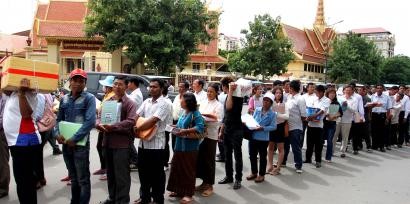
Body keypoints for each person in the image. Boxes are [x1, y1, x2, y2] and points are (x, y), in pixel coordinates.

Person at [55, 68, 96, 204]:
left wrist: (75, 138)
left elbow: (90, 121)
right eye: (75, 80)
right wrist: (57, 134)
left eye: (81, 81)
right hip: (67, 145)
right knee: (73, 177)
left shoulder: (89, 98)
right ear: (70, 82)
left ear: (85, 83)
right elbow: (58, 119)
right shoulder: (64, 99)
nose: (78, 84)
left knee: (83, 179)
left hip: (80, 146)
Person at [98, 76, 137, 204]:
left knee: (122, 176)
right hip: (107, 143)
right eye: (115, 84)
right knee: (111, 174)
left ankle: (122, 200)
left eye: (120, 84)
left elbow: (131, 121)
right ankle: (112, 198)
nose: (117, 87)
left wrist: (113, 127)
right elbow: (99, 116)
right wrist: (98, 123)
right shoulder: (108, 101)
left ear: (126, 86)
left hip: (122, 145)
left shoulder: (130, 103)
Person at [4, 78, 40, 204]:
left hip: (24, 141)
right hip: (17, 142)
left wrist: (22, 93)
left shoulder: (28, 93)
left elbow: (26, 114)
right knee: (22, 180)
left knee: (25, 182)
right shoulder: (14, 93)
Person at [135, 78, 172, 204]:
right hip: (143, 144)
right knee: (143, 175)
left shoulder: (165, 104)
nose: (151, 89)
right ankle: (145, 198)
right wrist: (135, 125)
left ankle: (157, 199)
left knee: (157, 176)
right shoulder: (146, 101)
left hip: (157, 146)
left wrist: (136, 128)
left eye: (155, 87)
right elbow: (137, 115)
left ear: (161, 89)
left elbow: (153, 120)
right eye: (150, 86)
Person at [167, 93, 205, 204]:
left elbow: (200, 127)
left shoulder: (195, 114)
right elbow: (180, 126)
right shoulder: (184, 112)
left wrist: (185, 131)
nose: (180, 102)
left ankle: (188, 194)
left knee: (188, 170)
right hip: (179, 146)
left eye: (182, 100)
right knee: (177, 168)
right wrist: (173, 127)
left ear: (188, 102)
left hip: (190, 148)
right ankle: (179, 191)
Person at [196, 83, 223, 197]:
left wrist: (207, 117)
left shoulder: (219, 105)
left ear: (216, 92)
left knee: (209, 161)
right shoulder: (202, 102)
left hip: (211, 135)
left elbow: (219, 120)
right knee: (201, 159)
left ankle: (210, 185)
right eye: (208, 91)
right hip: (200, 135)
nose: (209, 93)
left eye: (211, 92)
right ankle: (204, 182)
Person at [218, 78, 244, 189]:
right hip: (227, 129)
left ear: (225, 86)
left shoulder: (238, 96)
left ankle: (238, 179)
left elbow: (229, 107)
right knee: (227, 154)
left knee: (237, 155)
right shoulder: (228, 97)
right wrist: (222, 130)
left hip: (237, 129)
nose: (223, 89)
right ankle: (229, 176)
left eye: (223, 87)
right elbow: (226, 115)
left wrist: (230, 91)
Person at [247, 92, 277, 183]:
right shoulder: (257, 109)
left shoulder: (273, 114)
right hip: (253, 136)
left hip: (263, 138)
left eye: (268, 101)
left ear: (271, 103)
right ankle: (254, 172)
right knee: (252, 155)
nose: (265, 102)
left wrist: (263, 128)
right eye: (264, 100)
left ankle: (261, 175)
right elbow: (253, 119)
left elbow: (274, 126)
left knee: (262, 157)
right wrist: (249, 123)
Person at [282, 80, 306, 173]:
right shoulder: (289, 97)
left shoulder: (300, 99)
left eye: (289, 87)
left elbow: (303, 115)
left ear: (292, 88)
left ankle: (298, 166)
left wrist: (297, 120)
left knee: (296, 147)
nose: (288, 88)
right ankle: (283, 161)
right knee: (285, 146)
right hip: (287, 125)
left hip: (296, 127)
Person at [94, 76, 115, 180]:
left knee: (104, 148)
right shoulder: (107, 95)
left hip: (106, 126)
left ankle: (107, 170)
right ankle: (103, 167)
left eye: (105, 86)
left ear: (109, 87)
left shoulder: (112, 97)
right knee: (99, 147)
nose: (103, 87)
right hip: (101, 125)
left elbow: (109, 113)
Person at [304, 85, 330, 168]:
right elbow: (309, 108)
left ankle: (318, 161)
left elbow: (322, 111)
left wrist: (313, 116)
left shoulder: (327, 100)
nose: (315, 94)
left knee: (318, 144)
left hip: (319, 126)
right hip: (310, 124)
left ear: (322, 92)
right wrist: (308, 116)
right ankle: (308, 158)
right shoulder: (314, 98)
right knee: (309, 143)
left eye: (317, 92)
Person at [267, 87, 289, 175]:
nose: (278, 94)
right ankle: (270, 165)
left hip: (280, 127)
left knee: (280, 148)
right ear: (274, 94)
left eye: (280, 93)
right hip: (272, 127)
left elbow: (287, 116)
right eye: (276, 93)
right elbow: (267, 114)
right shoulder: (270, 104)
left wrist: (276, 114)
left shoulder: (285, 104)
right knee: (270, 147)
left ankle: (278, 167)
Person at [333, 85, 358, 158]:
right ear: (343, 91)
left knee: (345, 137)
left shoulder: (354, 100)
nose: (348, 91)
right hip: (337, 119)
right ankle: (332, 150)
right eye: (346, 90)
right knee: (334, 136)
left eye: (350, 90)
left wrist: (346, 105)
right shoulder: (339, 98)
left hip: (347, 120)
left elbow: (354, 110)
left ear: (352, 91)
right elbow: (335, 108)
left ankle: (343, 151)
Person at [369, 84, 392, 152]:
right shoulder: (373, 96)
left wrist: (387, 118)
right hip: (374, 115)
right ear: (376, 89)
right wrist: (370, 116)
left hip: (382, 115)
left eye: (380, 88)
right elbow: (369, 107)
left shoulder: (386, 97)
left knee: (382, 131)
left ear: (383, 89)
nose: (379, 89)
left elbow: (388, 109)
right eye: (378, 88)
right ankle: (374, 145)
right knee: (374, 131)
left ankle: (381, 146)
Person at [126, 77, 143, 171]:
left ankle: (135, 160)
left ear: (133, 83)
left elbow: (129, 102)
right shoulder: (134, 93)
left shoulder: (136, 95)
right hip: (132, 120)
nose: (127, 85)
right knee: (129, 141)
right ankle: (132, 160)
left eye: (128, 83)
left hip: (133, 120)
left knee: (129, 141)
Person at [323, 88, 342, 162]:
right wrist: (326, 114)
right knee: (320, 140)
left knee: (330, 140)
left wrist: (334, 116)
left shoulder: (336, 103)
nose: (332, 95)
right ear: (327, 94)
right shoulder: (324, 101)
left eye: (333, 93)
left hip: (332, 124)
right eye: (330, 93)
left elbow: (340, 113)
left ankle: (328, 157)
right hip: (323, 123)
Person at [216, 79, 230, 163]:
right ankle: (223, 154)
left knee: (221, 139)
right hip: (224, 120)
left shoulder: (222, 96)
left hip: (223, 120)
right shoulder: (225, 95)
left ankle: (222, 155)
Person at [0, 76, 10, 199]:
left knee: (2, 161)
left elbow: (4, 117)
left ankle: (3, 188)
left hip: (1, 132)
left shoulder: (4, 97)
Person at [358, 86, 372, 152]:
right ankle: (359, 145)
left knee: (366, 133)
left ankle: (369, 146)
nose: (359, 91)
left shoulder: (368, 99)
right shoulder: (356, 98)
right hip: (357, 117)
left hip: (365, 117)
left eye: (360, 90)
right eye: (358, 90)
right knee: (359, 132)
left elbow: (369, 109)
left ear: (364, 91)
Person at [301, 82, 316, 148]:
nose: (312, 88)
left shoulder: (316, 97)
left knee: (311, 134)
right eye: (311, 87)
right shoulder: (303, 96)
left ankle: (311, 147)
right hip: (303, 117)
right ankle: (300, 146)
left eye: (313, 87)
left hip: (312, 118)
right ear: (307, 88)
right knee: (302, 132)